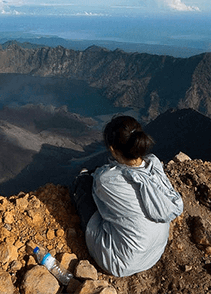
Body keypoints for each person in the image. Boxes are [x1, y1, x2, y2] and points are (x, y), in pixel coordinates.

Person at [71, 115, 184, 277]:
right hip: (154, 253)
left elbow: (99, 191)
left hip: (120, 262)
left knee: (82, 183)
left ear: (112, 149)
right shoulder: (154, 164)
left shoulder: (107, 180)